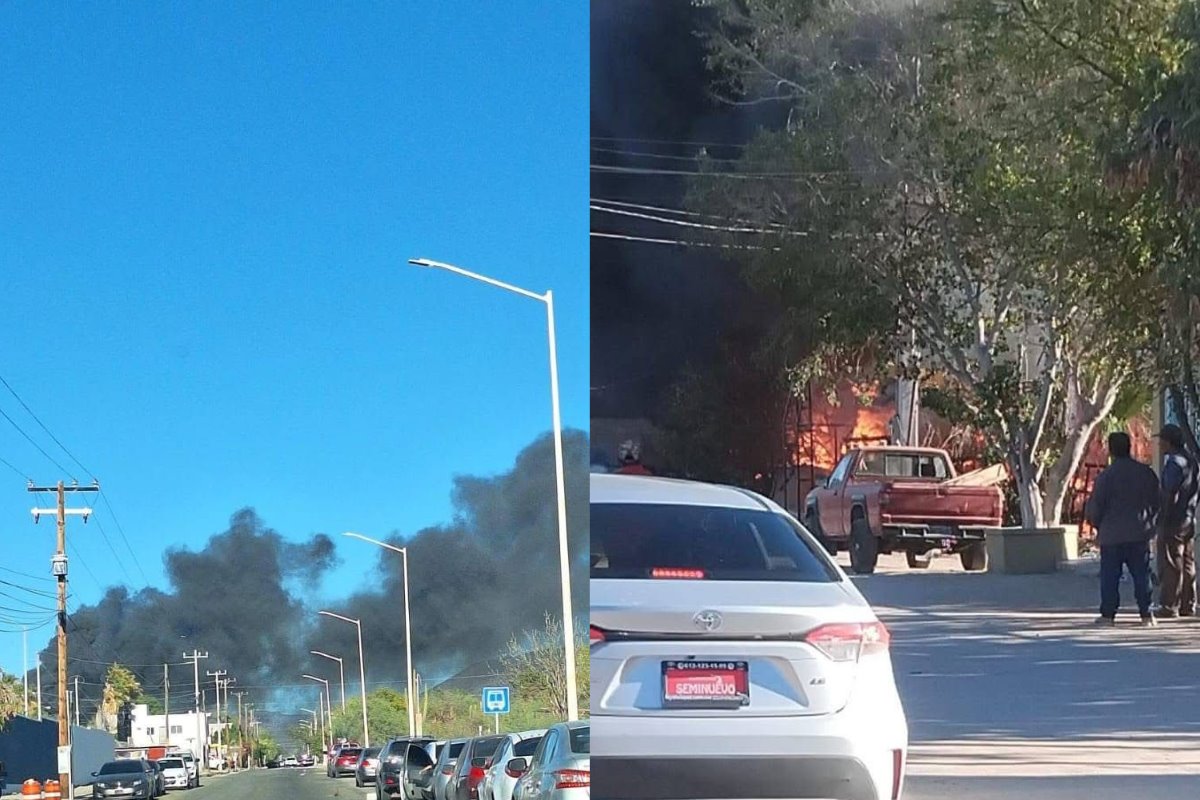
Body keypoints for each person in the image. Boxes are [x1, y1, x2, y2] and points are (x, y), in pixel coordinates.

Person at [1085, 431, 1160, 626]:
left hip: (1112, 536)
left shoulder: (1106, 477)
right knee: (1142, 575)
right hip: (1139, 533)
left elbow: (1096, 506)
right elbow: (1158, 501)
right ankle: (1146, 614)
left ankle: (1108, 615)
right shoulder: (1146, 473)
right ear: (1129, 447)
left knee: (1110, 577)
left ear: (1111, 450)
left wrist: (1096, 524)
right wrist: (1151, 524)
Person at [1155, 423, 1199, 617]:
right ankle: (1189, 603)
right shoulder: (1191, 461)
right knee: (1188, 561)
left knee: (1172, 561)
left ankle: (1169, 605)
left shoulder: (1174, 463)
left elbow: (1169, 492)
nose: (1159, 444)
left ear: (1168, 442)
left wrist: (1162, 517)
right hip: (1189, 517)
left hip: (1173, 518)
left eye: (1161, 440)